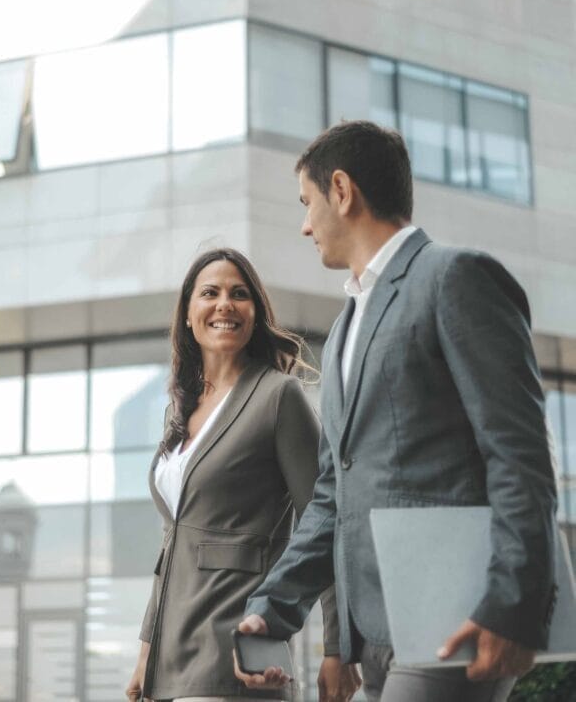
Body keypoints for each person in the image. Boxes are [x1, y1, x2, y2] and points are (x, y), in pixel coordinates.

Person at [234, 121, 558, 702]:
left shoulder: (455, 277)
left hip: (457, 615)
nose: (304, 225)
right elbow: (334, 492)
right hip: (375, 631)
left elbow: (519, 453)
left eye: (307, 203)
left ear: (342, 190)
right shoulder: (340, 335)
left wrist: (514, 603)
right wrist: (272, 608)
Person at [125, 248, 361, 701]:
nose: (224, 304)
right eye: (209, 293)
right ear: (189, 315)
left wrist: (338, 648)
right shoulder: (182, 409)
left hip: (240, 648)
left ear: (255, 313)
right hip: (171, 658)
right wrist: (145, 654)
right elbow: (170, 547)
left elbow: (327, 523)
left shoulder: (279, 396)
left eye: (239, 294)